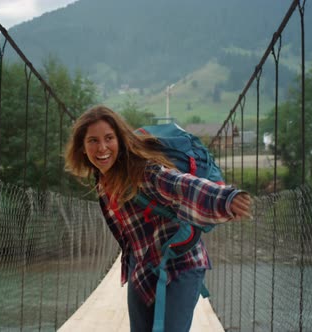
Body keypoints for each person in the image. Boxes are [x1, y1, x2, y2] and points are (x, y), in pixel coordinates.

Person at [64, 105, 252, 332]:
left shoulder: (143, 171)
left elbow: (181, 185)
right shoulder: (102, 180)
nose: (102, 147)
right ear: (82, 148)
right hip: (143, 263)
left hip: (180, 261)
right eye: (93, 140)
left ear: (120, 140)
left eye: (109, 138)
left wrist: (225, 199)